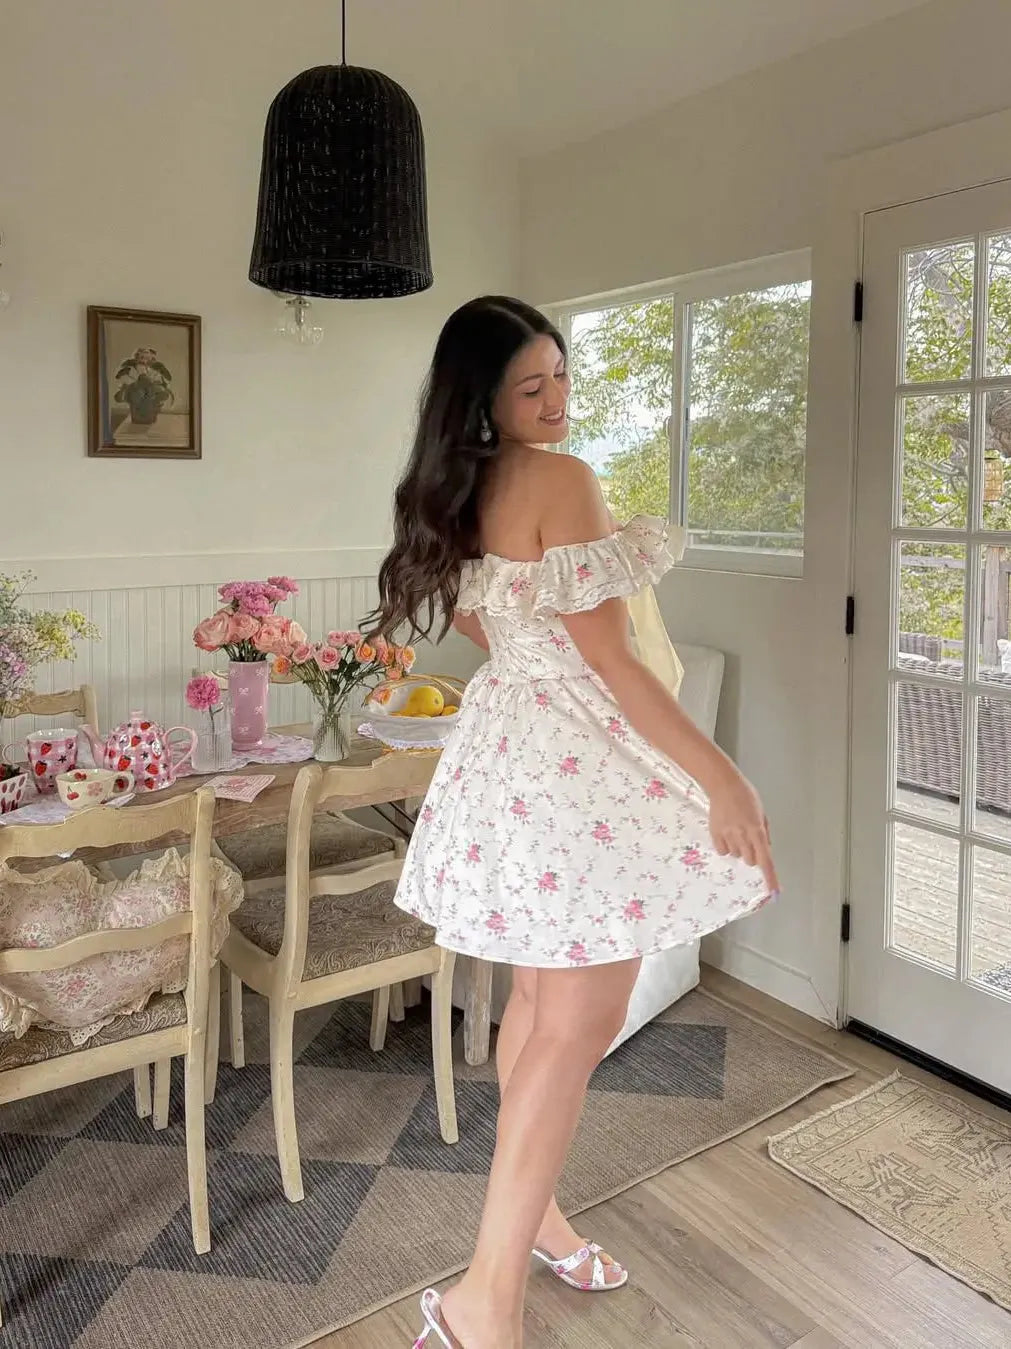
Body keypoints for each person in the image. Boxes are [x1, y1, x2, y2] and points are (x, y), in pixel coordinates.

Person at [368, 296, 779, 1349]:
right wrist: (721, 775)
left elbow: (488, 628)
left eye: (560, 375)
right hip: (576, 773)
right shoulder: (562, 480)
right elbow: (614, 664)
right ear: (486, 398)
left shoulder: (453, 493)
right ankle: (481, 1299)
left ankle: (537, 1222)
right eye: (531, 385)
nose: (557, 400)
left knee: (542, 1011)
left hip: (510, 761)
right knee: (573, 1027)